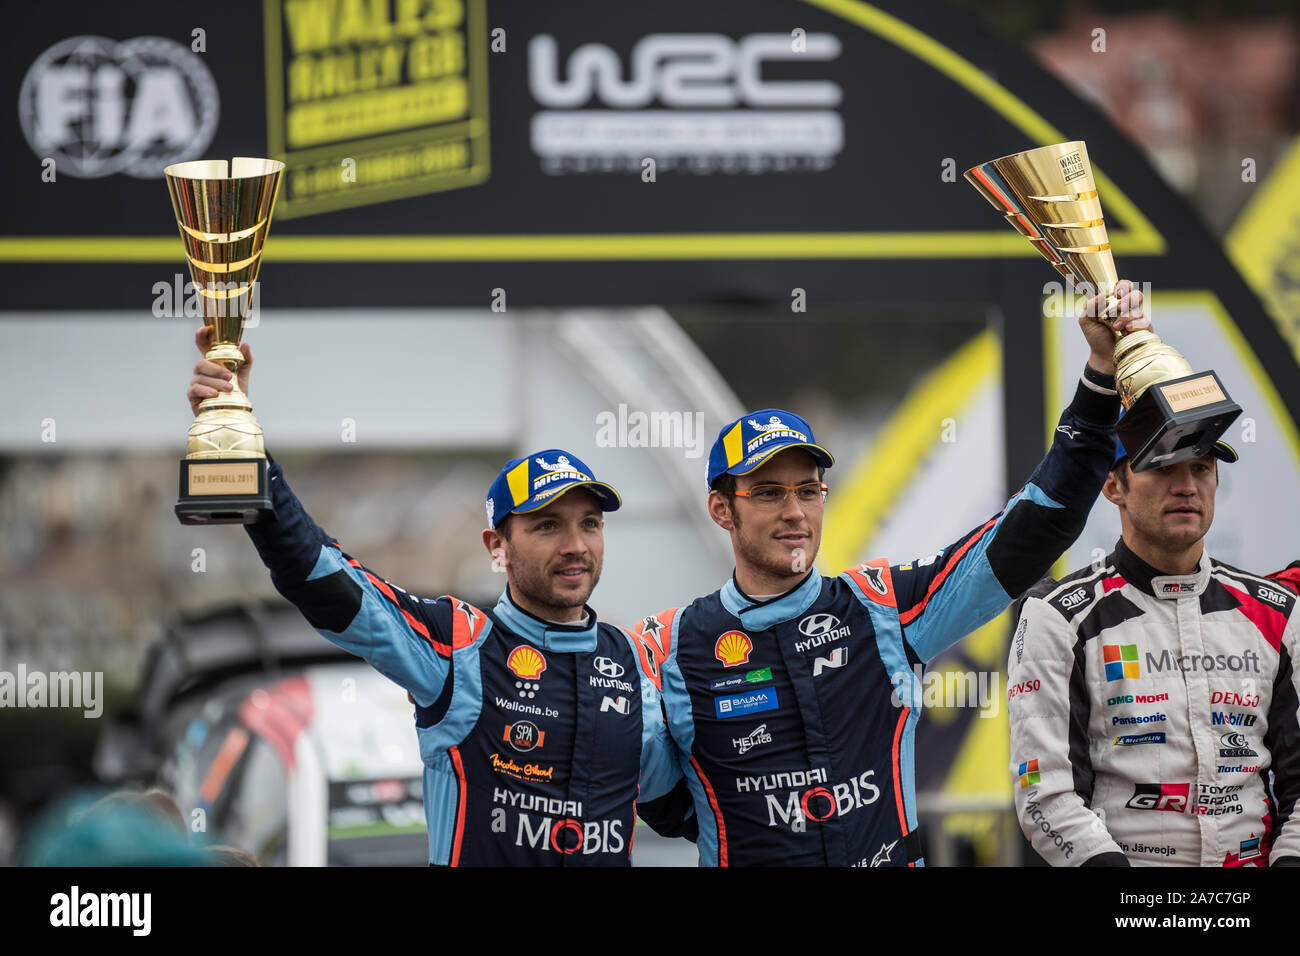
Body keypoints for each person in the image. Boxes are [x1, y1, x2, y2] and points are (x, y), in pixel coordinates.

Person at [628, 283, 1147, 866]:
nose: (794, 512)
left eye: (808, 491)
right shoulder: (669, 647)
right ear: (722, 509)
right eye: (768, 493)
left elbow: (1033, 531)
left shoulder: (879, 606)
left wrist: (1101, 374)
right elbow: (659, 801)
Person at [186, 327, 691, 865]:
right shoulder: (460, 645)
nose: (575, 546)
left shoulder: (631, 660)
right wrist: (243, 449)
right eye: (547, 527)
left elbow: (683, 808)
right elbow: (328, 583)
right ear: (496, 545)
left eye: (589, 524)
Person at [1008, 430, 1300, 866]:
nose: (1186, 486)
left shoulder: (1279, 612)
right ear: (1113, 485)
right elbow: (1045, 795)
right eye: (1163, 466)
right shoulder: (1058, 618)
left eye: (1201, 468)